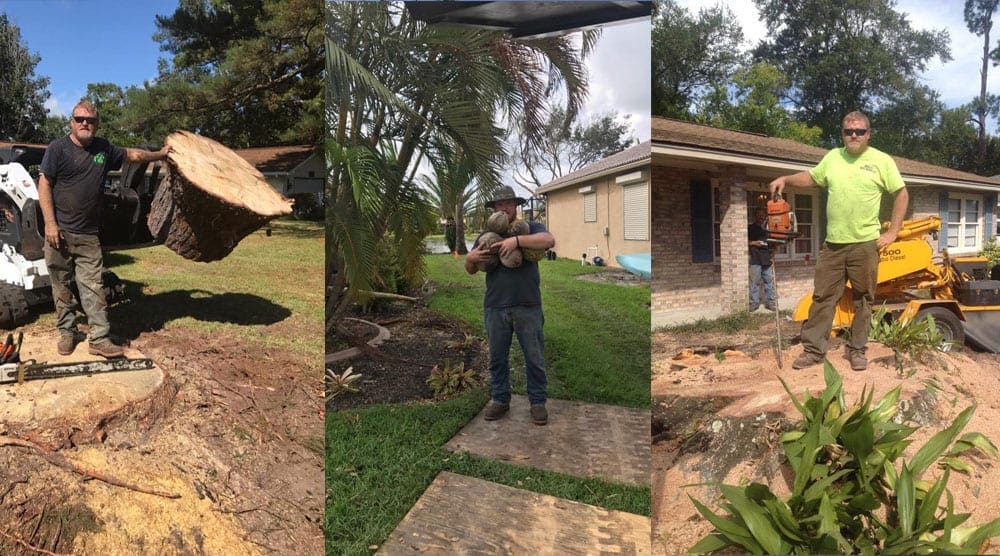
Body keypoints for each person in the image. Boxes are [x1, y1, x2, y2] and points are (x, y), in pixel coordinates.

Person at [770, 111, 908, 371]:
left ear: (868, 134)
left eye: (859, 131)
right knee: (822, 297)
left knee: (863, 299)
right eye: (848, 131)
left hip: (866, 244)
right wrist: (786, 179)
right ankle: (813, 351)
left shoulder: (882, 161)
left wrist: (893, 232)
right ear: (842, 134)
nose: (853, 135)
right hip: (833, 245)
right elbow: (812, 178)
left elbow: (901, 194)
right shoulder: (833, 157)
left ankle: (857, 350)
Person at [38, 100, 171, 358]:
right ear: (71, 122)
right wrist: (50, 224)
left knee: (93, 288)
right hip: (60, 233)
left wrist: (161, 155)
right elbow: (44, 184)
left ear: (97, 124)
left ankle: (99, 338)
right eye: (79, 119)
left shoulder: (104, 148)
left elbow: (134, 155)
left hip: (88, 235)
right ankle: (67, 333)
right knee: (61, 286)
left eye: (90, 120)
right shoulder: (57, 149)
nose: (85, 123)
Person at [464, 186, 555, 425]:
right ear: (494, 209)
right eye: (498, 205)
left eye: (507, 204)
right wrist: (470, 259)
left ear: (515, 206)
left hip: (528, 305)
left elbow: (549, 240)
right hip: (495, 306)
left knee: (534, 358)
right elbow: (471, 270)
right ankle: (500, 400)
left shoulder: (530, 228)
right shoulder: (486, 235)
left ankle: (537, 403)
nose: (503, 208)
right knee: (497, 358)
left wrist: (516, 241)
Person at [748, 207, 776, 312]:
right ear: (755, 216)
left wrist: (773, 249)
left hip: (767, 260)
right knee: (754, 283)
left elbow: (772, 243)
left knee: (769, 282)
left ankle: (770, 303)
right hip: (755, 259)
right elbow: (744, 241)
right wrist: (753, 243)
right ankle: (753, 303)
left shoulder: (767, 229)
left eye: (762, 215)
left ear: (765, 216)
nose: (760, 217)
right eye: (758, 215)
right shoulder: (750, 228)